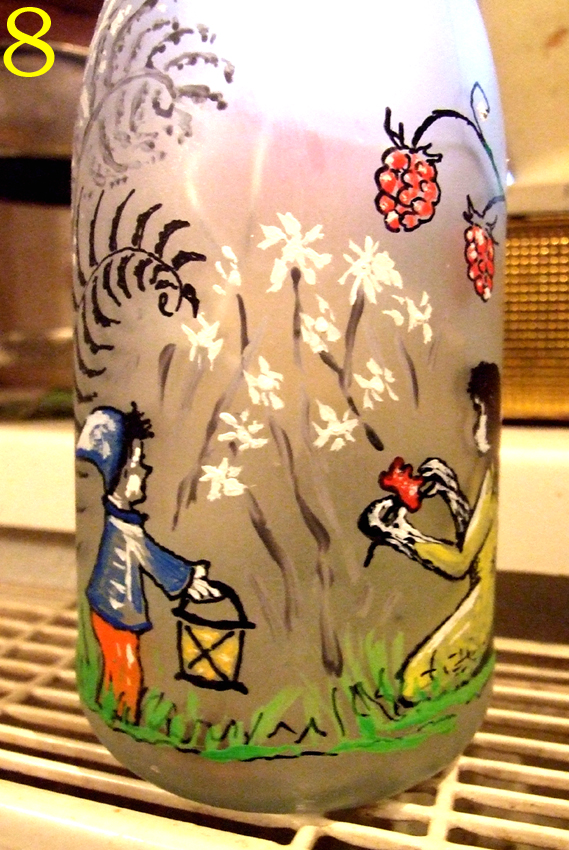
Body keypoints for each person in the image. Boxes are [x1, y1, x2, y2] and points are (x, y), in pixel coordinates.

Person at [358, 362, 500, 705]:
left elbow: (460, 562)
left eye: (479, 413)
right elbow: (475, 540)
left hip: (478, 611)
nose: (474, 426)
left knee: (418, 682)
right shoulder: (487, 477)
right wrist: (451, 490)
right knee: (416, 681)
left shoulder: (489, 479)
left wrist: (400, 534)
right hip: (476, 603)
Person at [76, 402, 220, 723]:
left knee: (115, 665)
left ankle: (115, 709)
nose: (145, 471)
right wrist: (189, 578)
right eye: (137, 465)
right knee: (126, 668)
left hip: (109, 608)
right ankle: (125, 715)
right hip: (117, 612)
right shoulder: (126, 530)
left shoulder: (122, 523)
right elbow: (154, 559)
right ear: (118, 477)